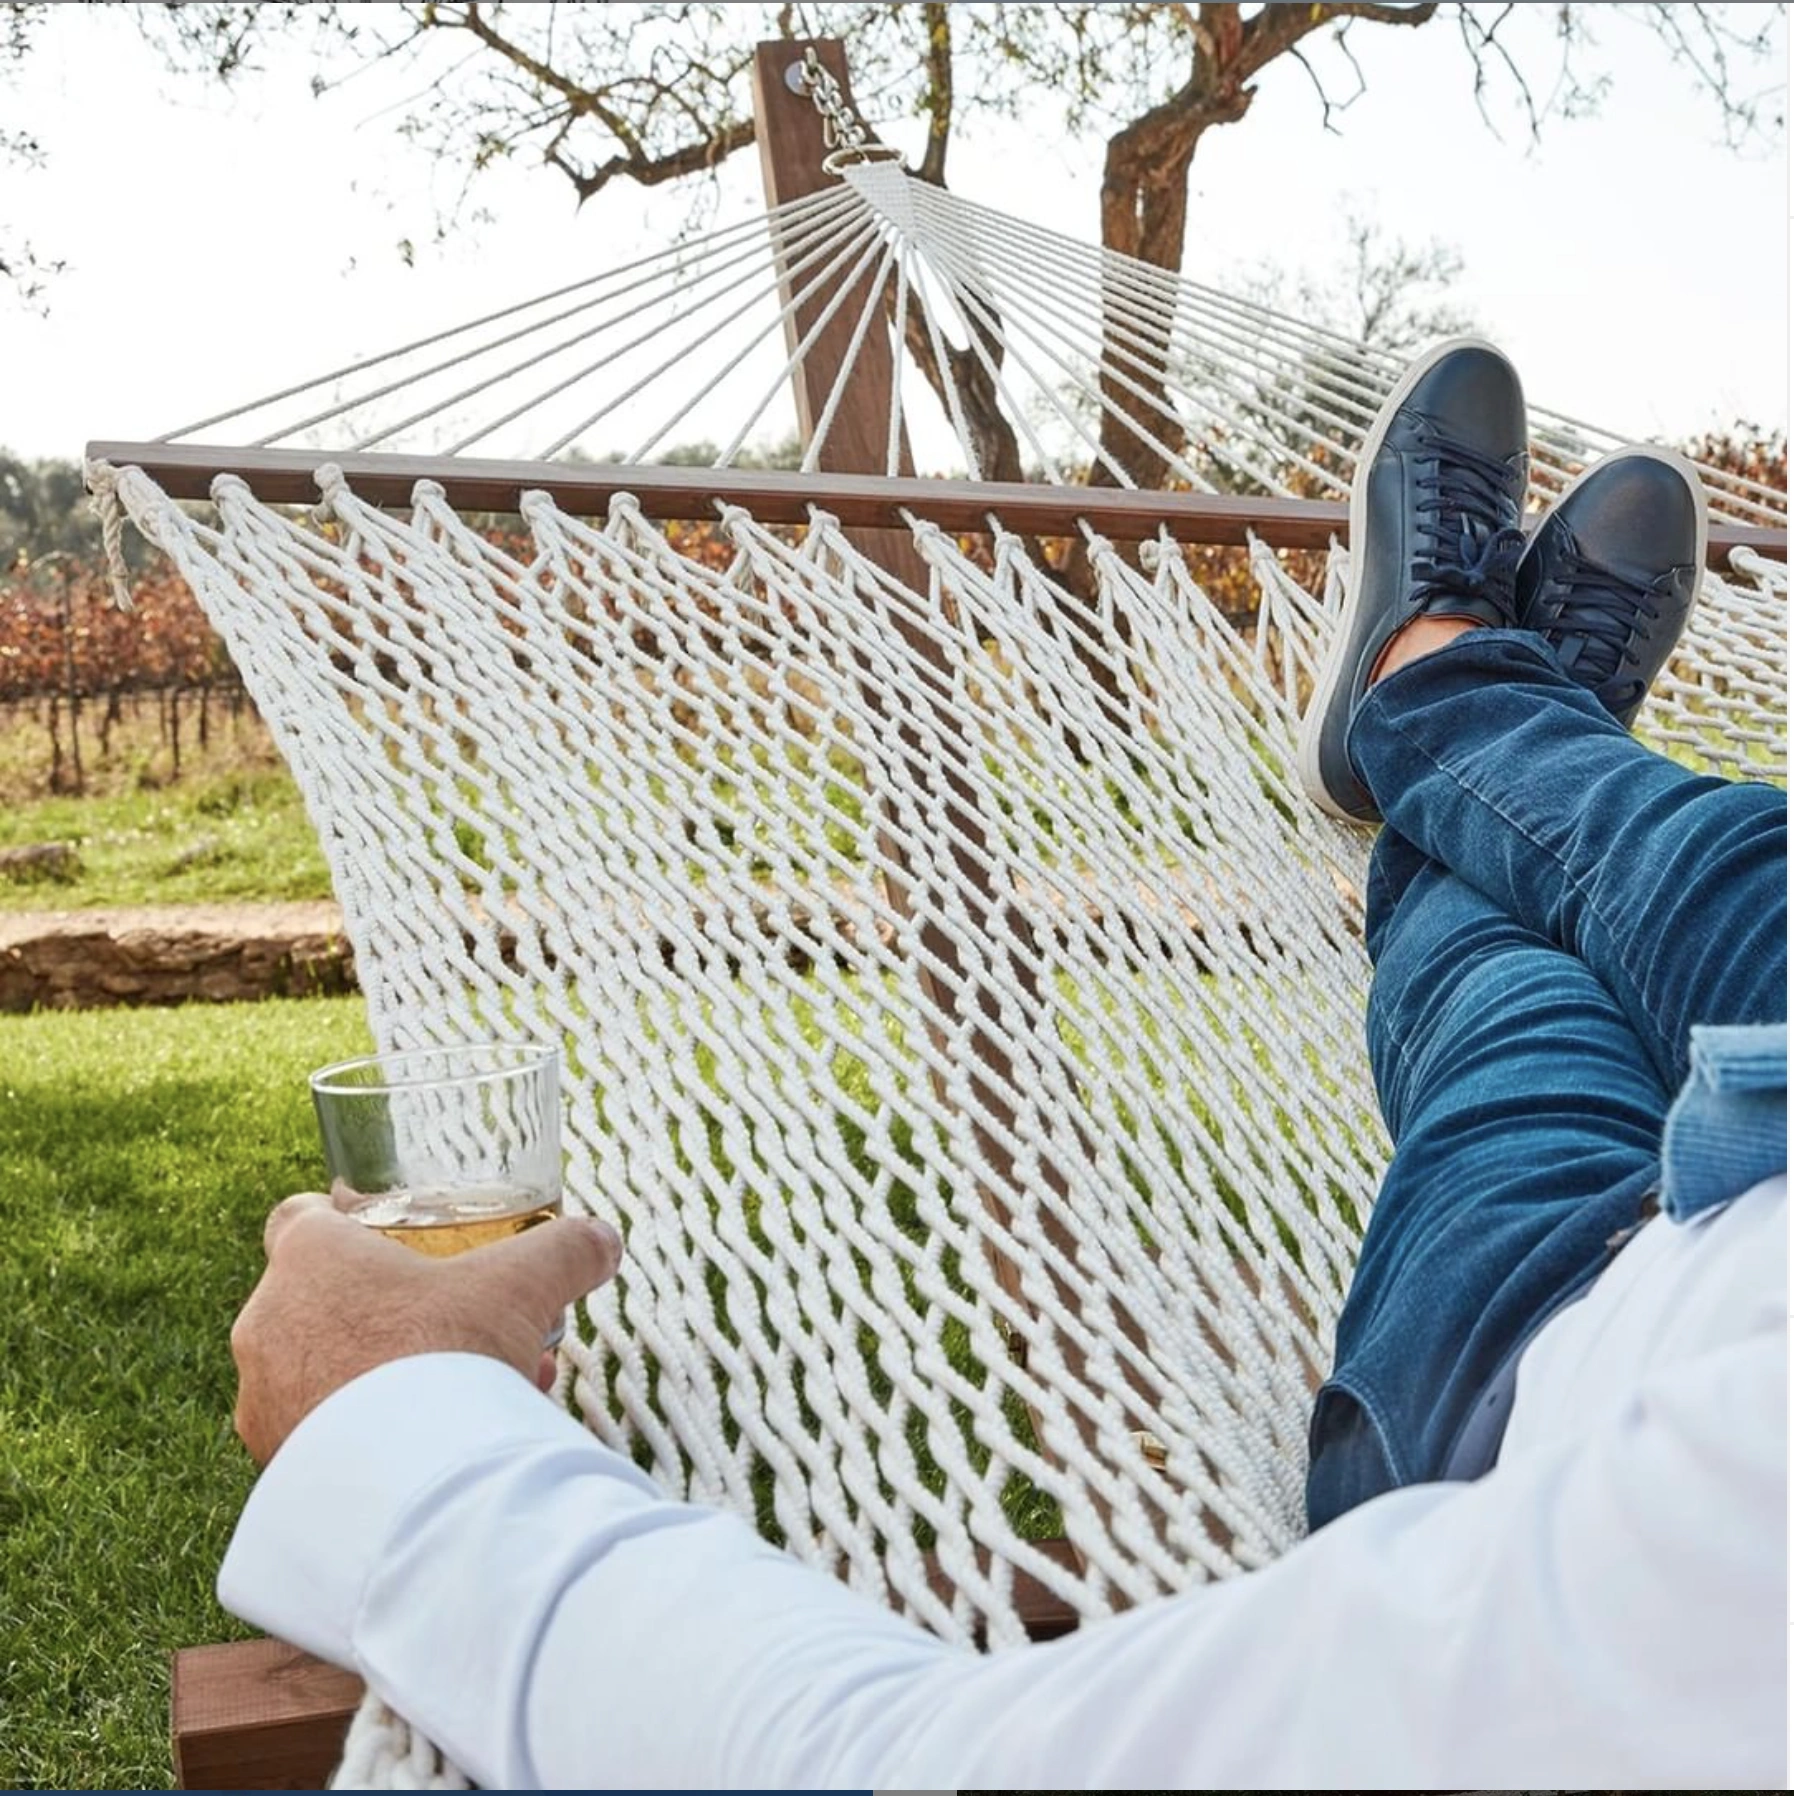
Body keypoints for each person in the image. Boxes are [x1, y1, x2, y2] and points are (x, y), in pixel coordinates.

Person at [219, 339, 1786, 1789]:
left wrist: (389, 1419)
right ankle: (1477, 704)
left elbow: (909, 1762)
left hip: (1539, 1369)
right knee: (1726, 880)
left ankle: (1449, 701)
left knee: (1514, 1007)